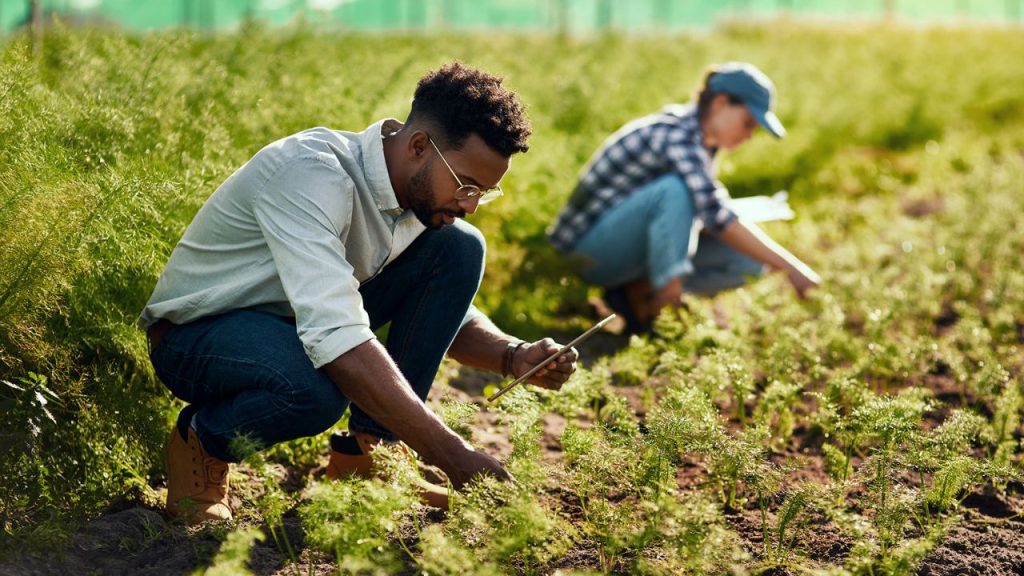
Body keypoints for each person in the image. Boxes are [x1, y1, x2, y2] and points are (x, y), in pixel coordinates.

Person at [140, 62, 578, 524]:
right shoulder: (312, 175)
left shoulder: (413, 194)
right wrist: (453, 454)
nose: (470, 205)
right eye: (467, 185)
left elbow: (439, 314)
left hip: (290, 324)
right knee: (315, 391)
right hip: (200, 335)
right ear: (419, 146)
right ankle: (201, 440)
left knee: (458, 248)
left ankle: (370, 459)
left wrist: (513, 355)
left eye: (484, 192)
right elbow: (337, 338)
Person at [548, 62, 821, 334]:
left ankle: (636, 296)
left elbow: (707, 214)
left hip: (624, 250)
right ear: (720, 103)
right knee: (673, 190)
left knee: (748, 262)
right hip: (587, 255)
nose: (749, 135)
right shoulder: (677, 136)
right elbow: (717, 216)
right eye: (748, 123)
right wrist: (793, 270)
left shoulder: (702, 144)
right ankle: (666, 305)